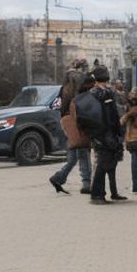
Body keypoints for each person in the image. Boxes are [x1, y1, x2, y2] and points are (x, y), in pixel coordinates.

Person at [49, 59, 93, 195]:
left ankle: (58, 178)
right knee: (84, 152)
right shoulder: (81, 85)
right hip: (78, 121)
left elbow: (57, 106)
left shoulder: (64, 88)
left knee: (74, 155)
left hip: (67, 123)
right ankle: (86, 183)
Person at [83, 66, 126, 204]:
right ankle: (97, 195)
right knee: (102, 164)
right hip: (103, 134)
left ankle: (106, 193)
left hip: (106, 132)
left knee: (108, 162)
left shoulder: (102, 93)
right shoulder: (100, 94)